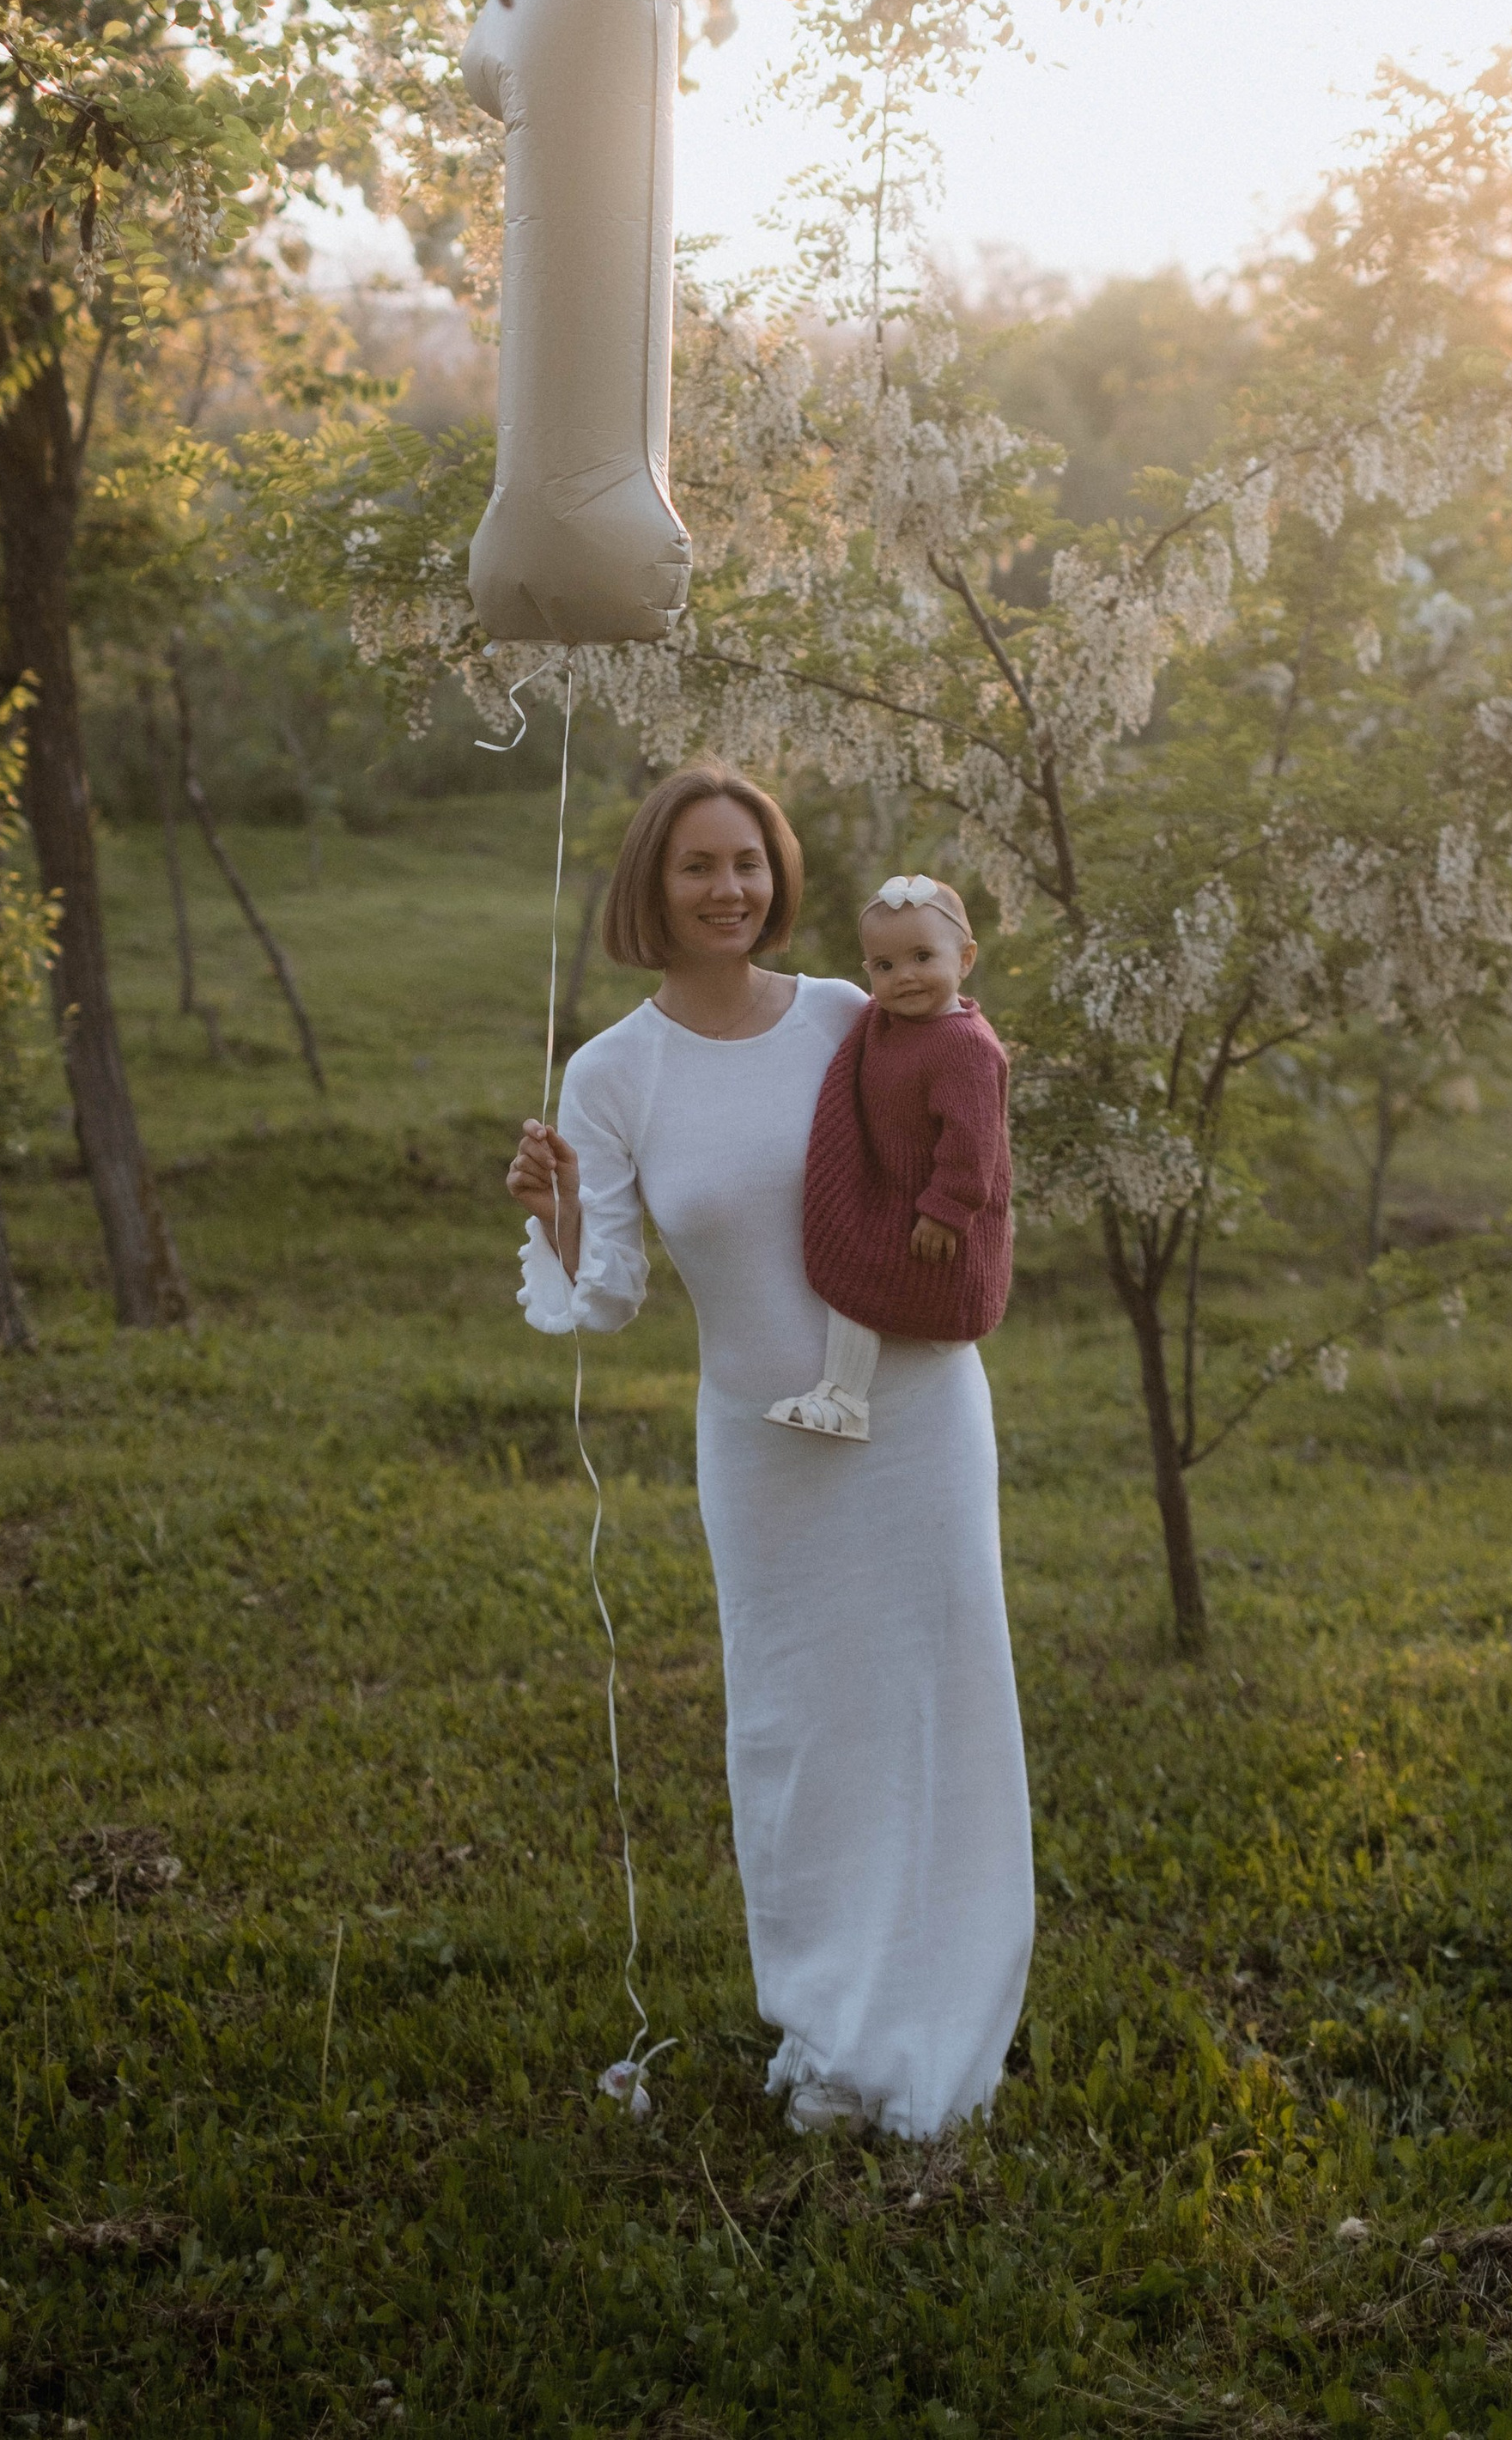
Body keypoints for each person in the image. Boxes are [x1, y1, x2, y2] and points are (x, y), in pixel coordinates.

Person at [507, 765, 1035, 2139]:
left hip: (913, 1418)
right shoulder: (613, 1071)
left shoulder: (853, 1014)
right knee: (799, 1735)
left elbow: (969, 1113)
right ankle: (829, 2026)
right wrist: (557, 1215)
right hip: (763, 1452)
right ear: (652, 884)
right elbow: (608, 1294)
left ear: (780, 873)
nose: (728, 887)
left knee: (934, 1712)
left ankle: (939, 2028)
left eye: (748, 860)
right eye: (698, 865)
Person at [773, 874, 1013, 1442]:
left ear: (966, 959)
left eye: (923, 957)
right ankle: (845, 1396)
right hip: (890, 1196)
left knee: (897, 1292)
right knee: (854, 1278)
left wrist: (947, 1209)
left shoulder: (965, 1046)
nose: (903, 975)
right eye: (884, 966)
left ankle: (858, 1392)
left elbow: (973, 1142)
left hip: (936, 1211)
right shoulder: (882, 1025)